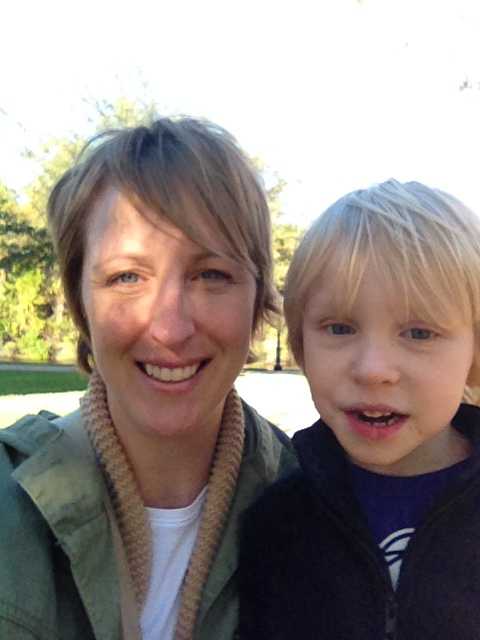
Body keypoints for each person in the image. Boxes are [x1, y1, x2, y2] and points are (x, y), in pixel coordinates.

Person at [0, 117, 297, 640]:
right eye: (127, 277)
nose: (170, 328)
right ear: (80, 305)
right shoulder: (10, 503)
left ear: (257, 301)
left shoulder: (315, 512)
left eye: (211, 275)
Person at [239, 179, 480, 639]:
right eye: (340, 328)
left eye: (419, 333)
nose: (373, 370)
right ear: (301, 345)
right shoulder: (275, 524)